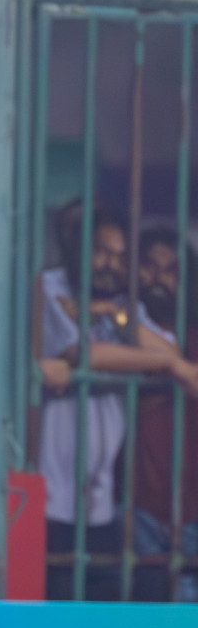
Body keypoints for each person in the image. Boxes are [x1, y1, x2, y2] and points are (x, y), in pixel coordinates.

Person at [34, 204, 198, 600]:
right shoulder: (52, 286)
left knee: (99, 603)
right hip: (50, 489)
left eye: (122, 256)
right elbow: (81, 352)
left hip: (101, 495)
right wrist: (168, 365)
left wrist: (118, 318)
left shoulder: (123, 304)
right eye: (102, 251)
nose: (111, 264)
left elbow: (169, 347)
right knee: (53, 598)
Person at [132, 226, 198, 600]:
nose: (158, 277)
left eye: (169, 269)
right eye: (149, 266)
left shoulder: (194, 335)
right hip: (137, 502)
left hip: (192, 502)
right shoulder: (116, 327)